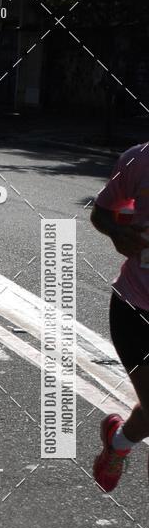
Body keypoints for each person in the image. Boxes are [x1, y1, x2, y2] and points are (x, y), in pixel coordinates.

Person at [90, 145, 149, 491]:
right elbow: (101, 212)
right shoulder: (138, 160)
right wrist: (117, 233)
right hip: (135, 308)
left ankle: (118, 443)